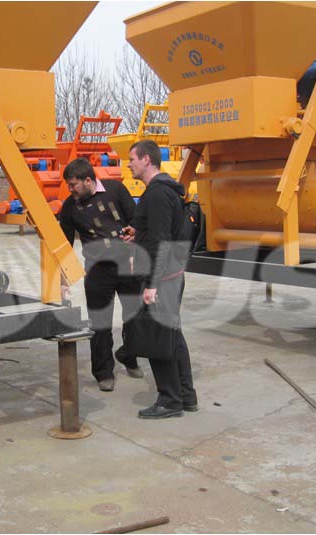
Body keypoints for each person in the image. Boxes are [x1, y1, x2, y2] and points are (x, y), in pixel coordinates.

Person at [121, 139, 198, 419]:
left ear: (146, 160)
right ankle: (186, 395)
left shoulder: (155, 194)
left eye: (131, 158)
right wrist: (137, 233)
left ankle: (169, 400)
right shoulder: (164, 191)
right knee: (172, 335)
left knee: (157, 338)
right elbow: (159, 232)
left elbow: (162, 242)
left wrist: (152, 285)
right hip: (171, 274)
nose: (128, 164)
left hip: (162, 278)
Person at [59, 158, 143, 392]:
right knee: (100, 324)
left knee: (136, 317)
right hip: (98, 271)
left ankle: (129, 355)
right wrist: (62, 279)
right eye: (68, 185)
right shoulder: (69, 207)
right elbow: (64, 245)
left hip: (128, 265)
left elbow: (136, 219)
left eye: (74, 184)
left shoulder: (116, 190)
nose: (70, 189)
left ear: (88, 180)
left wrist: (135, 233)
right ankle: (103, 372)